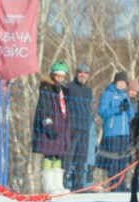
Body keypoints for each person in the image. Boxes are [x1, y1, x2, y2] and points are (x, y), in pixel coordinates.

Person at [33, 62, 71, 194]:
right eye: (57, 75)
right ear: (53, 75)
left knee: (58, 155)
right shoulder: (47, 88)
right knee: (49, 155)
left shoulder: (64, 90)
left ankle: (58, 184)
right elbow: (44, 107)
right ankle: (49, 186)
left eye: (62, 76)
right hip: (51, 125)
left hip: (61, 126)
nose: (60, 78)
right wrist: (47, 124)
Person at [95, 71, 135, 190]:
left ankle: (122, 184)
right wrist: (117, 108)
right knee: (113, 160)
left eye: (124, 82)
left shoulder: (125, 95)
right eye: (120, 82)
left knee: (123, 160)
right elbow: (102, 112)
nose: (122, 84)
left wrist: (128, 108)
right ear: (115, 81)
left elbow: (131, 115)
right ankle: (113, 184)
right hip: (112, 132)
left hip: (125, 133)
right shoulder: (108, 94)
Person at [65, 63, 96, 190]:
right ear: (76, 73)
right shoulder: (69, 87)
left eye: (85, 73)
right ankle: (66, 183)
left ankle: (78, 184)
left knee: (81, 157)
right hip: (72, 127)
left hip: (85, 127)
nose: (82, 75)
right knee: (69, 157)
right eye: (80, 72)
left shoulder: (88, 90)